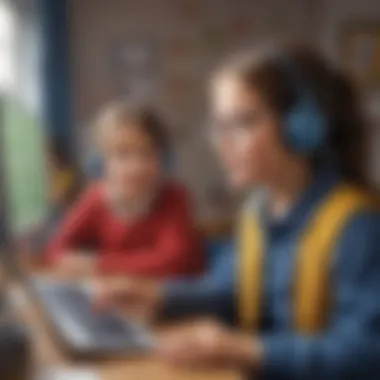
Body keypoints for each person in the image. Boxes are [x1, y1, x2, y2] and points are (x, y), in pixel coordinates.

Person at [95, 43, 380, 379]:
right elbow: (227, 290)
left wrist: (244, 348)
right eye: (218, 125)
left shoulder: (357, 226)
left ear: (302, 127)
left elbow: (367, 352)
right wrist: (156, 297)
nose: (221, 141)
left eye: (242, 123)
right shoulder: (258, 212)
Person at [47, 100, 204, 278]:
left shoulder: (174, 197)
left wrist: (100, 264)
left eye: (147, 153)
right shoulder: (96, 199)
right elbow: (57, 250)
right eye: (123, 155)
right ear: (104, 163)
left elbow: (177, 261)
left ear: (162, 158)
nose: (136, 166)